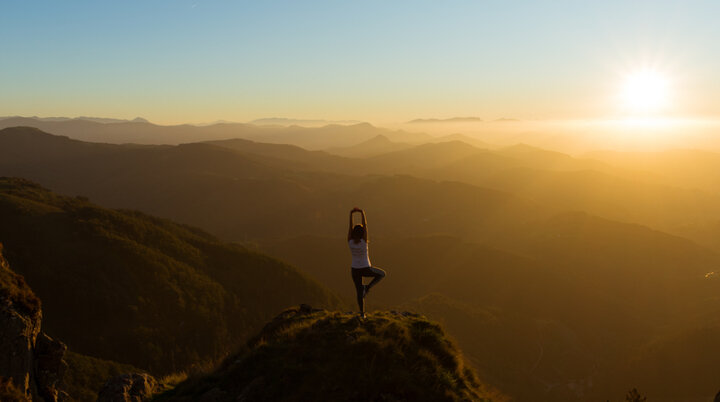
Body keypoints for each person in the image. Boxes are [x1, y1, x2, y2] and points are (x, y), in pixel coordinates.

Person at [348, 207, 386, 319]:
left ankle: (362, 313)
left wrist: (351, 214)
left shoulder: (350, 241)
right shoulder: (364, 242)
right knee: (382, 274)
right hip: (365, 268)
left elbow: (350, 228)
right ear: (362, 233)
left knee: (359, 292)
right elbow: (365, 226)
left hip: (354, 270)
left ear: (353, 233)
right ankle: (368, 288)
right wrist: (362, 213)